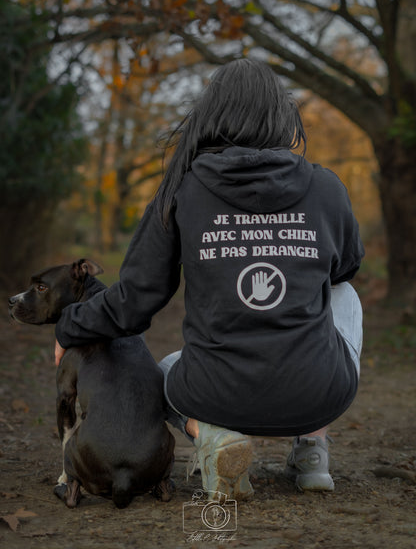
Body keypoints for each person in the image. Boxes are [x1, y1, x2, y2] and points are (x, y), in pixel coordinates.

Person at [55, 58, 364, 501]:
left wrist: (69, 325)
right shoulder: (327, 188)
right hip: (320, 392)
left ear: (210, 116)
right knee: (344, 294)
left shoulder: (182, 188)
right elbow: (345, 269)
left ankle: (212, 436)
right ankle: (313, 448)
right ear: (281, 116)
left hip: (213, 394)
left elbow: (136, 300)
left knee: (164, 372)